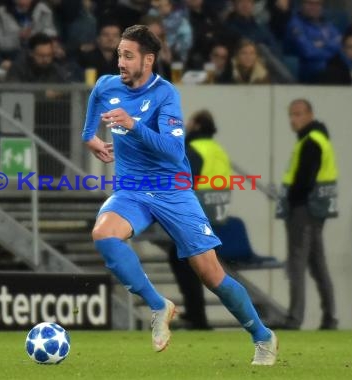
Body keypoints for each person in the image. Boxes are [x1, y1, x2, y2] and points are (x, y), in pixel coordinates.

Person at [82, 24, 277, 365]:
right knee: (104, 234)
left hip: (173, 191)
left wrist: (133, 126)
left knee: (211, 274)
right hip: (132, 190)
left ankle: (262, 336)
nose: (121, 62)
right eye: (119, 55)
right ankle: (159, 305)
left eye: (128, 56)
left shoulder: (165, 94)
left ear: (149, 59)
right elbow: (94, 105)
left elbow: (173, 151)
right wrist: (90, 138)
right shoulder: (106, 85)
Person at [166, 109, 232, 330]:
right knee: (194, 263)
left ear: (196, 125)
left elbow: (184, 184)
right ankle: (197, 315)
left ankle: (197, 316)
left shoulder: (193, 148)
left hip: (196, 215)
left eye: (190, 121)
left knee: (185, 261)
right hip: (217, 214)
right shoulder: (218, 150)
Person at [276, 99, 339, 330]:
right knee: (317, 264)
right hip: (316, 210)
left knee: (297, 264)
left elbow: (303, 180)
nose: (294, 119)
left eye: (299, 114)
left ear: (310, 114)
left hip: (304, 209)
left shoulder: (310, 142)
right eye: (292, 115)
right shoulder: (318, 139)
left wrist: (291, 200)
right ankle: (330, 317)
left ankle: (295, 317)